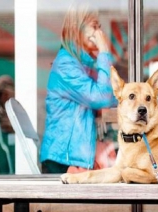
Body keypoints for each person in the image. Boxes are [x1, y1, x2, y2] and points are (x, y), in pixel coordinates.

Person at [40, 5, 118, 173]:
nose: (99, 33)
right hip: (62, 161)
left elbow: (111, 97)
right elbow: (102, 97)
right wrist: (104, 52)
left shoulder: (81, 65)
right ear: (77, 28)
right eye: (95, 26)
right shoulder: (67, 65)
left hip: (72, 157)